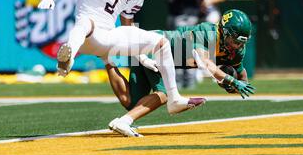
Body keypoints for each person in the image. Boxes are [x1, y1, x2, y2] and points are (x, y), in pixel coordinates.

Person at [37, 0, 206, 114]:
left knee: (162, 43)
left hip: (108, 38)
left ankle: (174, 98)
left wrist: (141, 56)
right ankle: (68, 58)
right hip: (85, 37)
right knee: (86, 23)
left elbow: (127, 28)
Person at [107, 9, 256, 137]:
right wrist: (231, 81)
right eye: (234, 41)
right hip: (155, 46)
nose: (237, 46)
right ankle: (123, 122)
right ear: (224, 31)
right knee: (164, 94)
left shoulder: (236, 50)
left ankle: (107, 60)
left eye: (241, 42)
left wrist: (237, 86)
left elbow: (241, 74)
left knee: (133, 103)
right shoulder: (209, 33)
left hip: (159, 55)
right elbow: (205, 62)